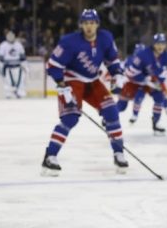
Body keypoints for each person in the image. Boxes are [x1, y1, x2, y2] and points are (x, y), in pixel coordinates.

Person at [41, 9, 128, 175]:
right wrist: (62, 85)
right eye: (86, 23)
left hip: (93, 81)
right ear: (81, 25)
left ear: (97, 24)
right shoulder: (69, 42)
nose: (89, 26)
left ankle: (119, 153)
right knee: (70, 118)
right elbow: (52, 65)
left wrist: (117, 74)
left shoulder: (106, 38)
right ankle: (50, 156)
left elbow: (112, 60)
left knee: (112, 112)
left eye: (92, 23)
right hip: (72, 80)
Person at [122, 33, 167, 132]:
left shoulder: (166, 55)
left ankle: (156, 123)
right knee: (138, 98)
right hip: (140, 82)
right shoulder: (143, 55)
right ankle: (134, 115)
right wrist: (147, 80)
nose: (160, 46)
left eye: (163, 44)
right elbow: (130, 73)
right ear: (153, 44)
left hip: (154, 82)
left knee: (159, 98)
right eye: (158, 44)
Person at [0, 31, 27, 98]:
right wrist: (1, 65)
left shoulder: (18, 45)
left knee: (19, 80)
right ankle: (8, 94)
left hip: (17, 66)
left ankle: (19, 92)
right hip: (7, 67)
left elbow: (23, 56)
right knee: (8, 81)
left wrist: (24, 65)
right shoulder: (3, 45)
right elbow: (0, 57)